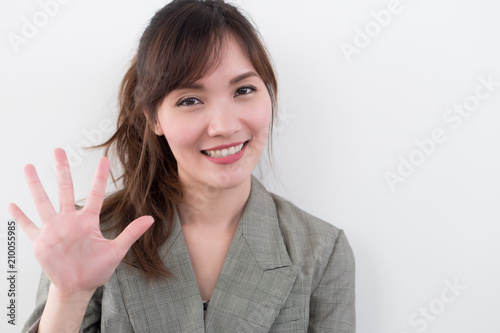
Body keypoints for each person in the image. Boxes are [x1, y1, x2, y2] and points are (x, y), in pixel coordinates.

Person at [9, 0, 355, 332]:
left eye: (244, 90)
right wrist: (69, 296)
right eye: (190, 100)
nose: (224, 126)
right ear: (154, 118)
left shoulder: (322, 251)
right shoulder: (91, 236)